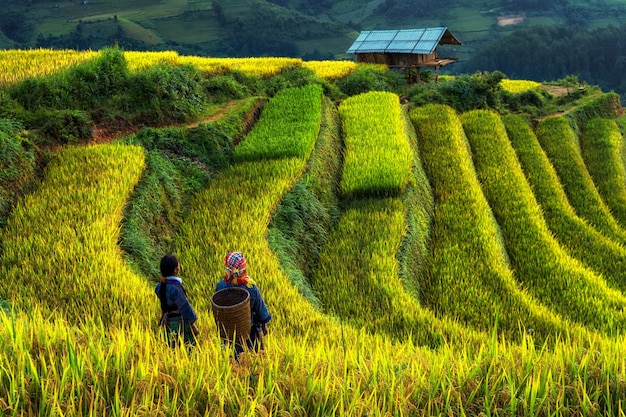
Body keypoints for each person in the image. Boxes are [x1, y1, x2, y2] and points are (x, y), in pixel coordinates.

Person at [215, 251, 271, 355]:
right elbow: (260, 308)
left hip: (228, 333)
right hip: (249, 331)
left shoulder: (220, 286)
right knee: (253, 355)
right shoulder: (250, 286)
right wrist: (264, 325)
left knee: (233, 358)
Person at [155, 254, 199, 348]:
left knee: (171, 347)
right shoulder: (175, 288)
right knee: (187, 349)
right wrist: (193, 325)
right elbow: (185, 307)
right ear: (176, 270)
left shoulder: (160, 286)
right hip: (180, 323)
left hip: (167, 322)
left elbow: (158, 292)